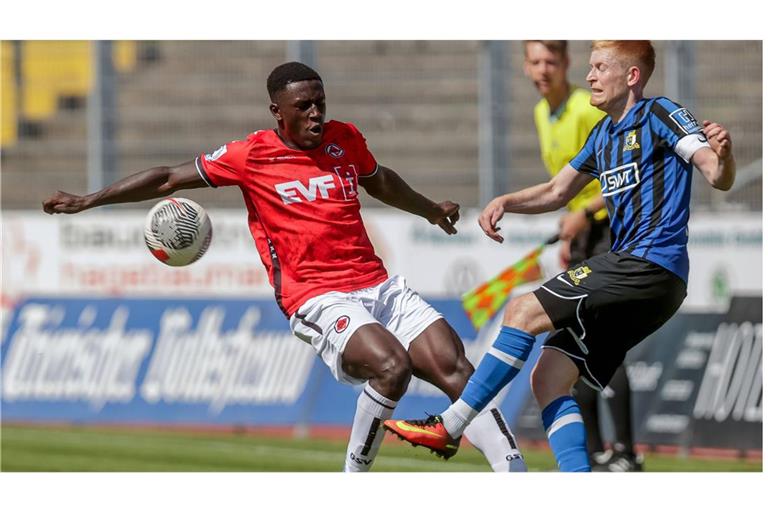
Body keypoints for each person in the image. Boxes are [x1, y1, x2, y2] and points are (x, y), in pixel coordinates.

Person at [42, 62, 527, 473]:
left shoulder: (344, 138)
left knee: (458, 368)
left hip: (378, 283)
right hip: (315, 296)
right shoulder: (250, 155)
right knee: (391, 366)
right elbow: (169, 176)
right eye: (303, 107)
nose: (316, 113)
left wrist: (427, 209)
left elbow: (379, 182)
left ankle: (516, 474)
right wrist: (89, 200)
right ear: (278, 111)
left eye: (320, 102)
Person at [383, 41, 735, 472]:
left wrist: (725, 155)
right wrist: (506, 201)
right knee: (549, 377)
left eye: (600, 67)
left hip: (646, 263)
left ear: (631, 77)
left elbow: (715, 173)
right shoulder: (603, 133)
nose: (589, 76)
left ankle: (451, 425)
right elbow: (556, 190)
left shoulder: (660, 113)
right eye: (589, 67)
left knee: (522, 310)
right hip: (647, 280)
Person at [524, 40, 640, 471]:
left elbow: (624, 174)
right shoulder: (541, 113)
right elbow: (566, 185)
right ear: (524, 67)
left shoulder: (583, 107)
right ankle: (593, 455)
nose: (543, 69)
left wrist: (585, 213)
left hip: (613, 231)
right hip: (584, 237)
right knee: (578, 343)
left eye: (551, 61)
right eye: (535, 61)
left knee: (606, 342)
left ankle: (626, 453)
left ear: (566, 64)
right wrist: (572, 229)